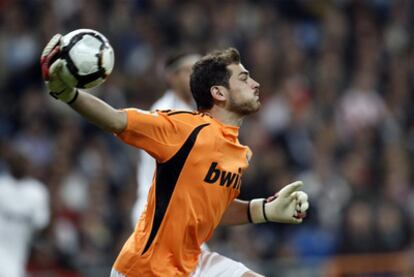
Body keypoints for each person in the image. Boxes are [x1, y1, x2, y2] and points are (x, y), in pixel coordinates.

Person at [41, 34, 309, 277]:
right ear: (218, 93)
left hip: (192, 261)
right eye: (243, 78)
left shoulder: (238, 152)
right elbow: (116, 120)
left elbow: (211, 210)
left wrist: (262, 209)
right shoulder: (185, 128)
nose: (255, 83)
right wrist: (69, 95)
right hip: (147, 269)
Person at [131, 51, 201, 226]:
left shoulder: (197, 112)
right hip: (157, 211)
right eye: (188, 71)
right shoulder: (164, 111)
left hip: (179, 211)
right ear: (171, 77)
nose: (195, 77)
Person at [0, 146, 50, 277]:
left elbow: (42, 224)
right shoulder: (1, 187)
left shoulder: (37, 191)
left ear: (28, 164)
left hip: (20, 251)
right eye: (17, 160)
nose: (20, 164)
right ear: (10, 162)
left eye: (23, 160)